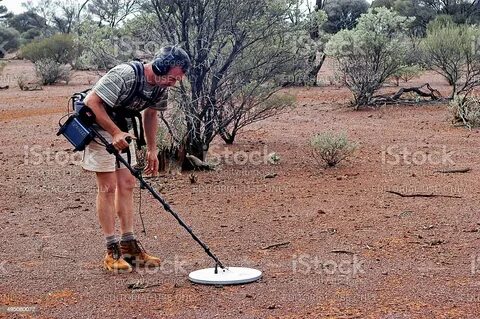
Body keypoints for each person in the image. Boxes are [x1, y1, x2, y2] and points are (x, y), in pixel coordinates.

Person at [82, 46, 191, 273]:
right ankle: (111, 250)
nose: (173, 83)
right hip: (99, 127)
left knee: (127, 184)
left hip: (122, 129)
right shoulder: (126, 74)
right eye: (172, 77)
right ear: (160, 66)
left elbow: (150, 114)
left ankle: (129, 245)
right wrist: (114, 133)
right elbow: (92, 101)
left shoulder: (161, 87)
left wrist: (152, 148)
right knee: (107, 187)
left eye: (177, 80)